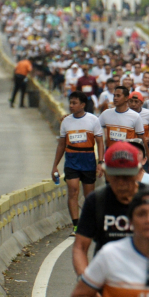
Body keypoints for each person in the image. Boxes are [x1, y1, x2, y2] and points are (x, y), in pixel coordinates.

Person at [72, 142, 149, 275]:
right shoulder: (96, 201)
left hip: (148, 278)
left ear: (138, 171)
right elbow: (80, 247)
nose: (122, 183)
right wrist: (85, 281)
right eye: (116, 176)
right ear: (107, 174)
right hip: (108, 279)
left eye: (127, 176)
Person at [52, 91, 104, 235]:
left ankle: (89, 223)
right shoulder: (66, 121)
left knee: (89, 195)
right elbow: (61, 145)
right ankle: (76, 225)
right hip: (71, 161)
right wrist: (55, 165)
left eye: (74, 103)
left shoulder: (93, 120)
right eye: (70, 103)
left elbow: (100, 142)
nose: (71, 106)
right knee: (73, 191)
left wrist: (100, 161)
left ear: (83, 104)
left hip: (88, 160)